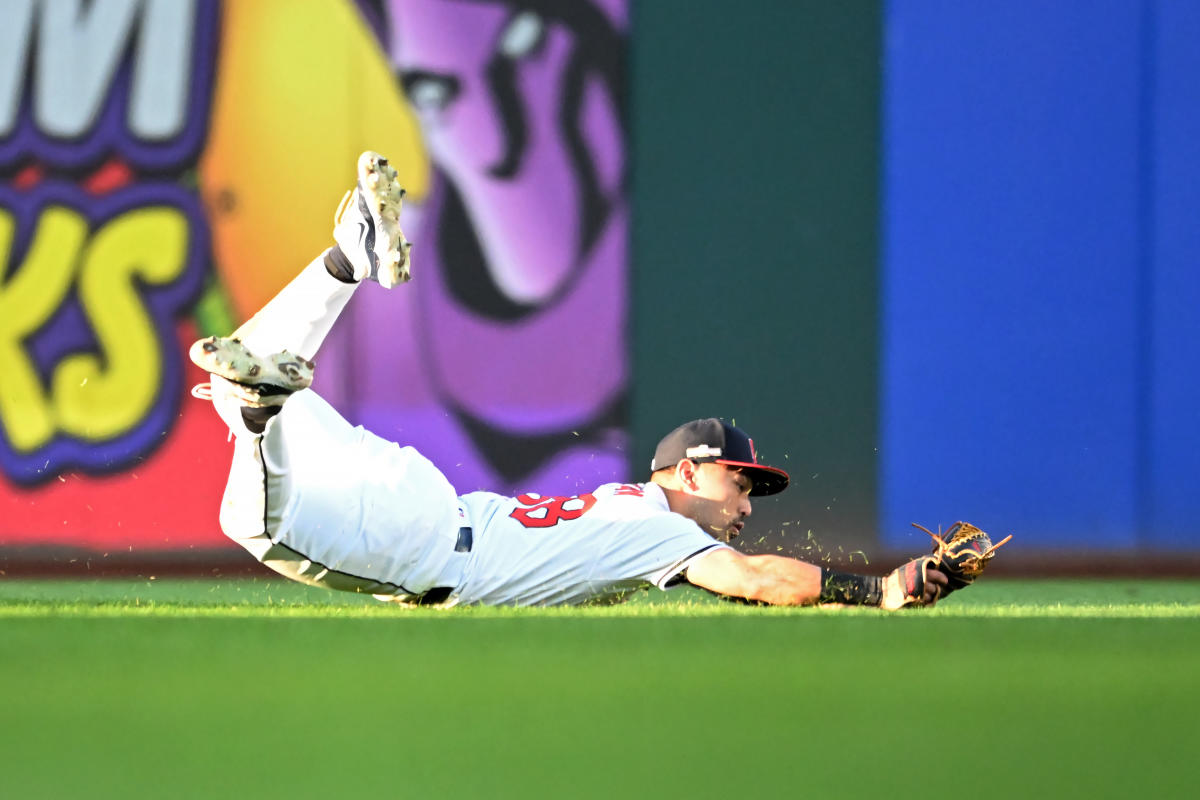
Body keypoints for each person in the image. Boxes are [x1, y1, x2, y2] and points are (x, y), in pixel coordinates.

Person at [190, 151, 948, 609]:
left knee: (240, 369)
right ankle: (264, 411)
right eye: (741, 482)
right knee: (255, 519)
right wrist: (874, 590)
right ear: (686, 470)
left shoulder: (626, 505)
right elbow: (755, 579)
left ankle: (348, 262)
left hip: (425, 505)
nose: (747, 500)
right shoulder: (654, 529)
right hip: (417, 542)